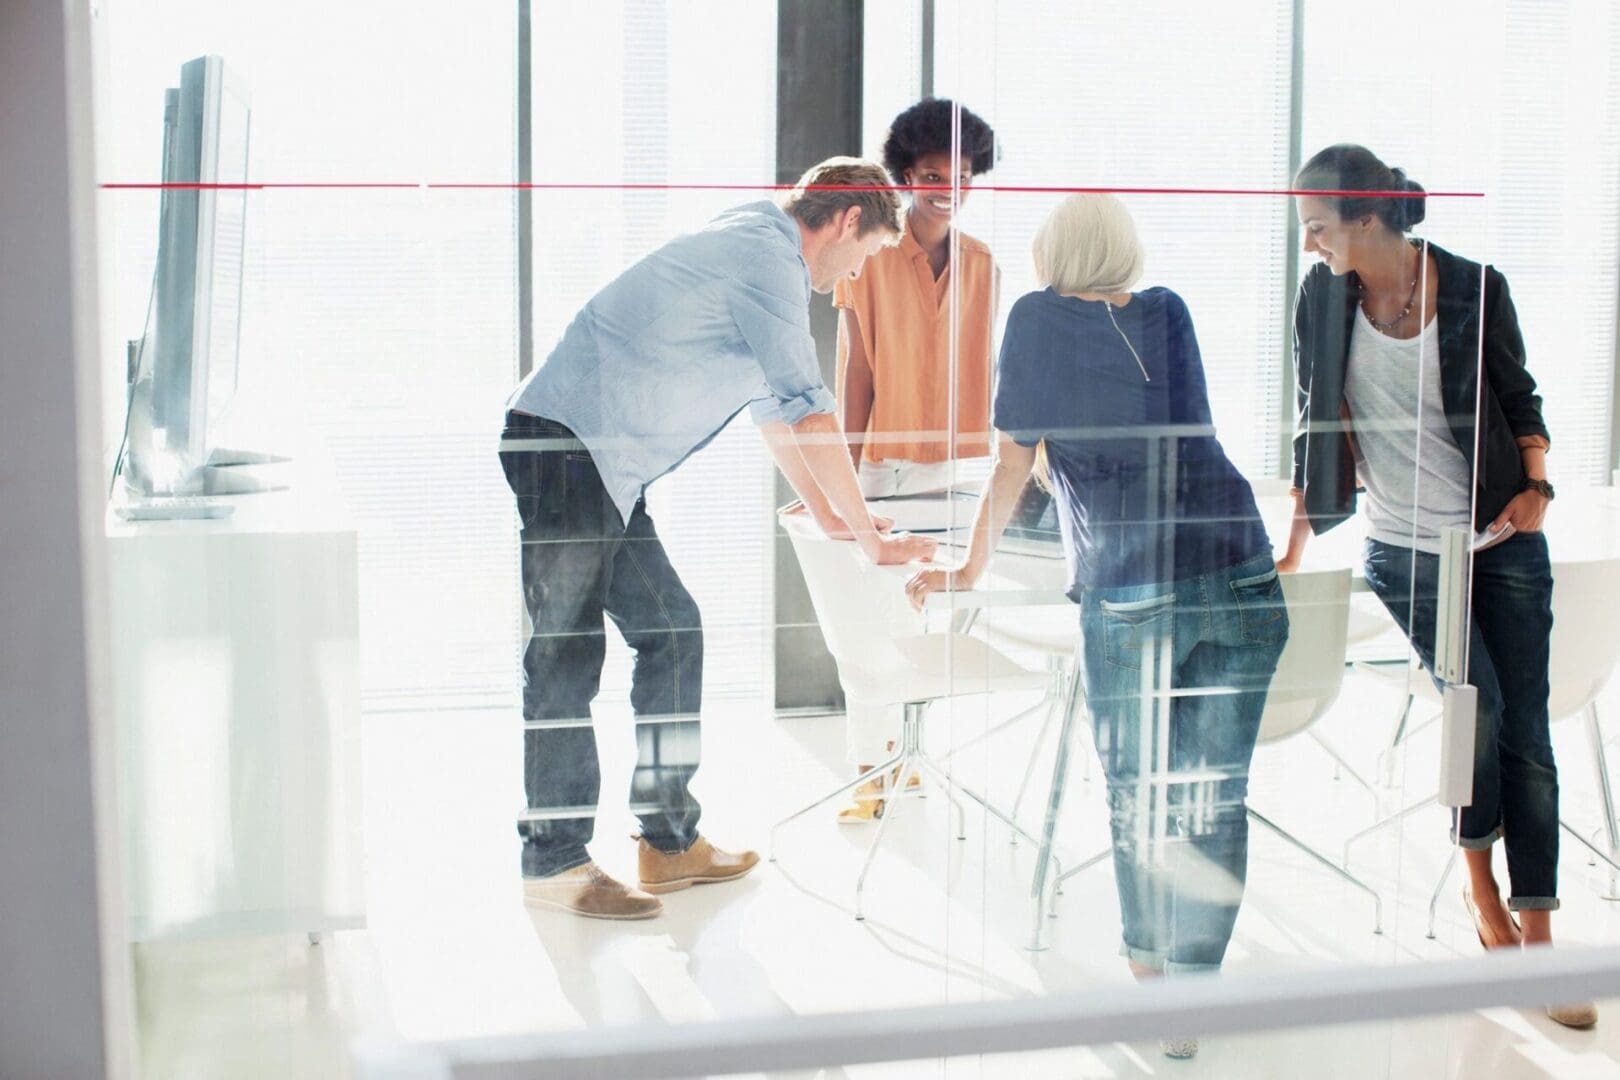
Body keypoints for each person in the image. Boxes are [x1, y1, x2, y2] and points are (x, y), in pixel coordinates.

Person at [499, 158, 937, 921]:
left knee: (672, 630)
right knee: (565, 654)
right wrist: (869, 538)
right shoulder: (766, 257)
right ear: (843, 223)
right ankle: (553, 861)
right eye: (861, 257)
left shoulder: (757, 245)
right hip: (566, 450)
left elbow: (776, 411)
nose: (846, 282)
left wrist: (835, 518)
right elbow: (809, 410)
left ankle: (667, 843)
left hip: (603, 465)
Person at [907, 194, 1288, 1059]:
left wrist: (967, 569)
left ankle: (1157, 981)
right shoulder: (1168, 310)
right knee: (1213, 793)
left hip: (1134, 586)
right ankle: (1194, 988)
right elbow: (1170, 434)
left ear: (1053, 257)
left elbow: (1011, 464)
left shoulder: (1037, 318)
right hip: (1239, 569)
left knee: (1140, 790)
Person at [1281, 144, 1593, 1028]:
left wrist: (1536, 489)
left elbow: (1521, 399)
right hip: (1404, 549)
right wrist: (1297, 541)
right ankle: (1479, 888)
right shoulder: (1324, 298)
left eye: (1318, 227)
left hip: (1499, 541)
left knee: (1526, 732)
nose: (1311, 245)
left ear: (1367, 219)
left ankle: (1536, 942)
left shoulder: (1474, 288)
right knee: (1479, 709)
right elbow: (1316, 418)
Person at [831, 98, 999, 822]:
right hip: (882, 465)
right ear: (905, 175)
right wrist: (845, 480)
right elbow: (855, 370)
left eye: (960, 174)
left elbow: (988, 367)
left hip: (958, 469)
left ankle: (905, 759)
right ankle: (870, 766)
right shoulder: (867, 257)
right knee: (868, 620)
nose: (946, 187)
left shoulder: (985, 264)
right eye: (932, 173)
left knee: (922, 625)